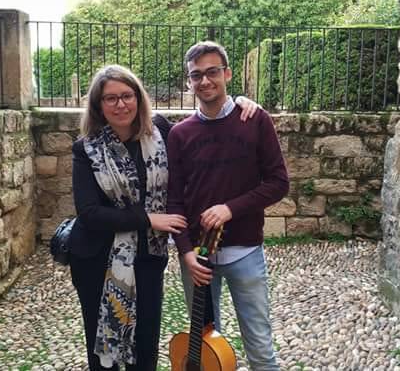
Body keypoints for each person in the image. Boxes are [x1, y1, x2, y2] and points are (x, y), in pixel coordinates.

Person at [69, 64, 259, 370]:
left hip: (148, 256)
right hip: (96, 258)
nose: (121, 104)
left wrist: (238, 104)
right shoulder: (86, 149)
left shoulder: (160, 130)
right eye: (110, 98)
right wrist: (149, 219)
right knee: (103, 341)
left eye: (127, 95)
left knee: (145, 340)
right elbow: (89, 213)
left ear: (139, 97)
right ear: (98, 105)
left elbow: (206, 134)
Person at [167, 41, 290, 370]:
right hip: (197, 258)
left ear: (227, 74)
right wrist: (185, 252)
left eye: (212, 72)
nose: (205, 81)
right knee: (204, 347)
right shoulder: (179, 134)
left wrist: (230, 208)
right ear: (188, 82)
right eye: (196, 76)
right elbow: (174, 198)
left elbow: (279, 183)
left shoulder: (254, 119)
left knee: (260, 349)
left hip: (246, 253)